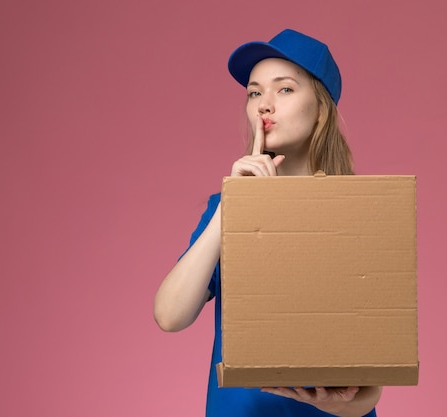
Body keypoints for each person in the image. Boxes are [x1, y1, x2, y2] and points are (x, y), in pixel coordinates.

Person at [154, 28, 382, 417]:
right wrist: (234, 204)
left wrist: (338, 403)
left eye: (285, 90)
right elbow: (170, 316)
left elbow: (372, 384)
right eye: (255, 92)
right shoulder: (224, 209)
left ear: (321, 108)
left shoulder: (357, 212)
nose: (264, 105)